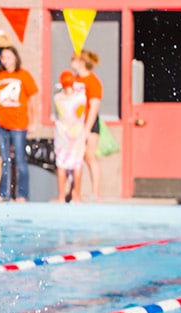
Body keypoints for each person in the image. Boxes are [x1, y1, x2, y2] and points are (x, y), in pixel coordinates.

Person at [0, 47, 38, 202]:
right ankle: (3, 193)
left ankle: (22, 194)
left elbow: (33, 99)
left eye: (9, 57)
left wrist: (33, 121)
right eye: (3, 58)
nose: (6, 61)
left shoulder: (24, 75)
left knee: (20, 159)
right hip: (1, 124)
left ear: (15, 58)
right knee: (5, 160)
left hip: (18, 124)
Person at [70, 49, 104, 202]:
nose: (71, 61)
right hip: (74, 124)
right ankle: (75, 192)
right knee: (75, 158)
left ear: (81, 62)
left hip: (88, 123)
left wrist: (87, 129)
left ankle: (95, 192)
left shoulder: (93, 81)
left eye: (74, 59)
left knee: (89, 156)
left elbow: (94, 107)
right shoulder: (74, 80)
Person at [52, 71, 88, 203]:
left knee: (61, 165)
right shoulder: (81, 98)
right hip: (77, 135)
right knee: (77, 165)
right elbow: (82, 87)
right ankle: (77, 196)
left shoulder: (58, 99)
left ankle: (61, 196)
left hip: (62, 135)